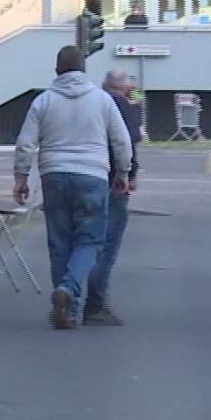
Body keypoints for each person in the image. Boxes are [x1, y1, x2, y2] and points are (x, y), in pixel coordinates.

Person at [14, 46, 132, 329]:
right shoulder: (103, 101)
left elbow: (26, 143)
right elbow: (121, 141)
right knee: (89, 241)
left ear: (56, 70)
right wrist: (123, 172)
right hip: (92, 176)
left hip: (53, 175)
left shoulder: (43, 101)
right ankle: (68, 291)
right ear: (84, 70)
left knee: (59, 243)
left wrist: (20, 177)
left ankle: (69, 310)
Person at [85, 70, 141, 326]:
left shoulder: (92, 103)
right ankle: (96, 303)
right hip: (112, 181)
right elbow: (126, 143)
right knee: (107, 245)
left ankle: (73, 296)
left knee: (83, 241)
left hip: (87, 177)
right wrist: (129, 174)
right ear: (125, 87)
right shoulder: (123, 107)